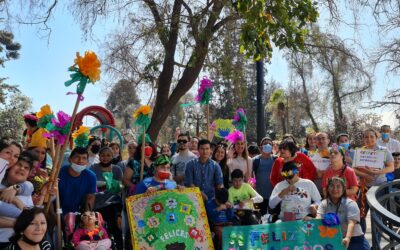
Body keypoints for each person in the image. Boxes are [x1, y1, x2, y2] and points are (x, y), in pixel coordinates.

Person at [353, 128, 394, 233]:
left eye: (372, 136)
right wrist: (365, 175)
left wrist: (377, 173)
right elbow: (354, 169)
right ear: (363, 139)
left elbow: (391, 167)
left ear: (376, 137)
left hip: (379, 187)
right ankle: (361, 240)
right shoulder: (360, 151)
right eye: (366, 136)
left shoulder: (383, 150)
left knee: (377, 216)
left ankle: (377, 245)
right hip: (364, 187)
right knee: (359, 214)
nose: (369, 139)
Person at [317, 177, 370, 250]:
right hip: (334, 239)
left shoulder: (351, 203)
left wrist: (347, 238)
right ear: (327, 189)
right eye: (332, 186)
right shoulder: (324, 204)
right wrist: (310, 219)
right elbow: (318, 219)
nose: (335, 189)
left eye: (338, 186)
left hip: (354, 239)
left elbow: (351, 223)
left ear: (343, 189)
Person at [58, 147, 96, 215]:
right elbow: (50, 197)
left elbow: (90, 198)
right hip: (58, 211)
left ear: (87, 162)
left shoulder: (91, 176)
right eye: (77, 157)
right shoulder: (58, 173)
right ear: (70, 159)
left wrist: (86, 215)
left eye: (84, 158)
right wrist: (53, 216)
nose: (80, 161)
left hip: (78, 213)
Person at [252, 136, 276, 215]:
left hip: (273, 195)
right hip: (259, 196)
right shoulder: (255, 160)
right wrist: (253, 186)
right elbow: (252, 176)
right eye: (265, 143)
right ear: (260, 147)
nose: (268, 145)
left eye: (270, 144)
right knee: (260, 216)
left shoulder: (276, 159)